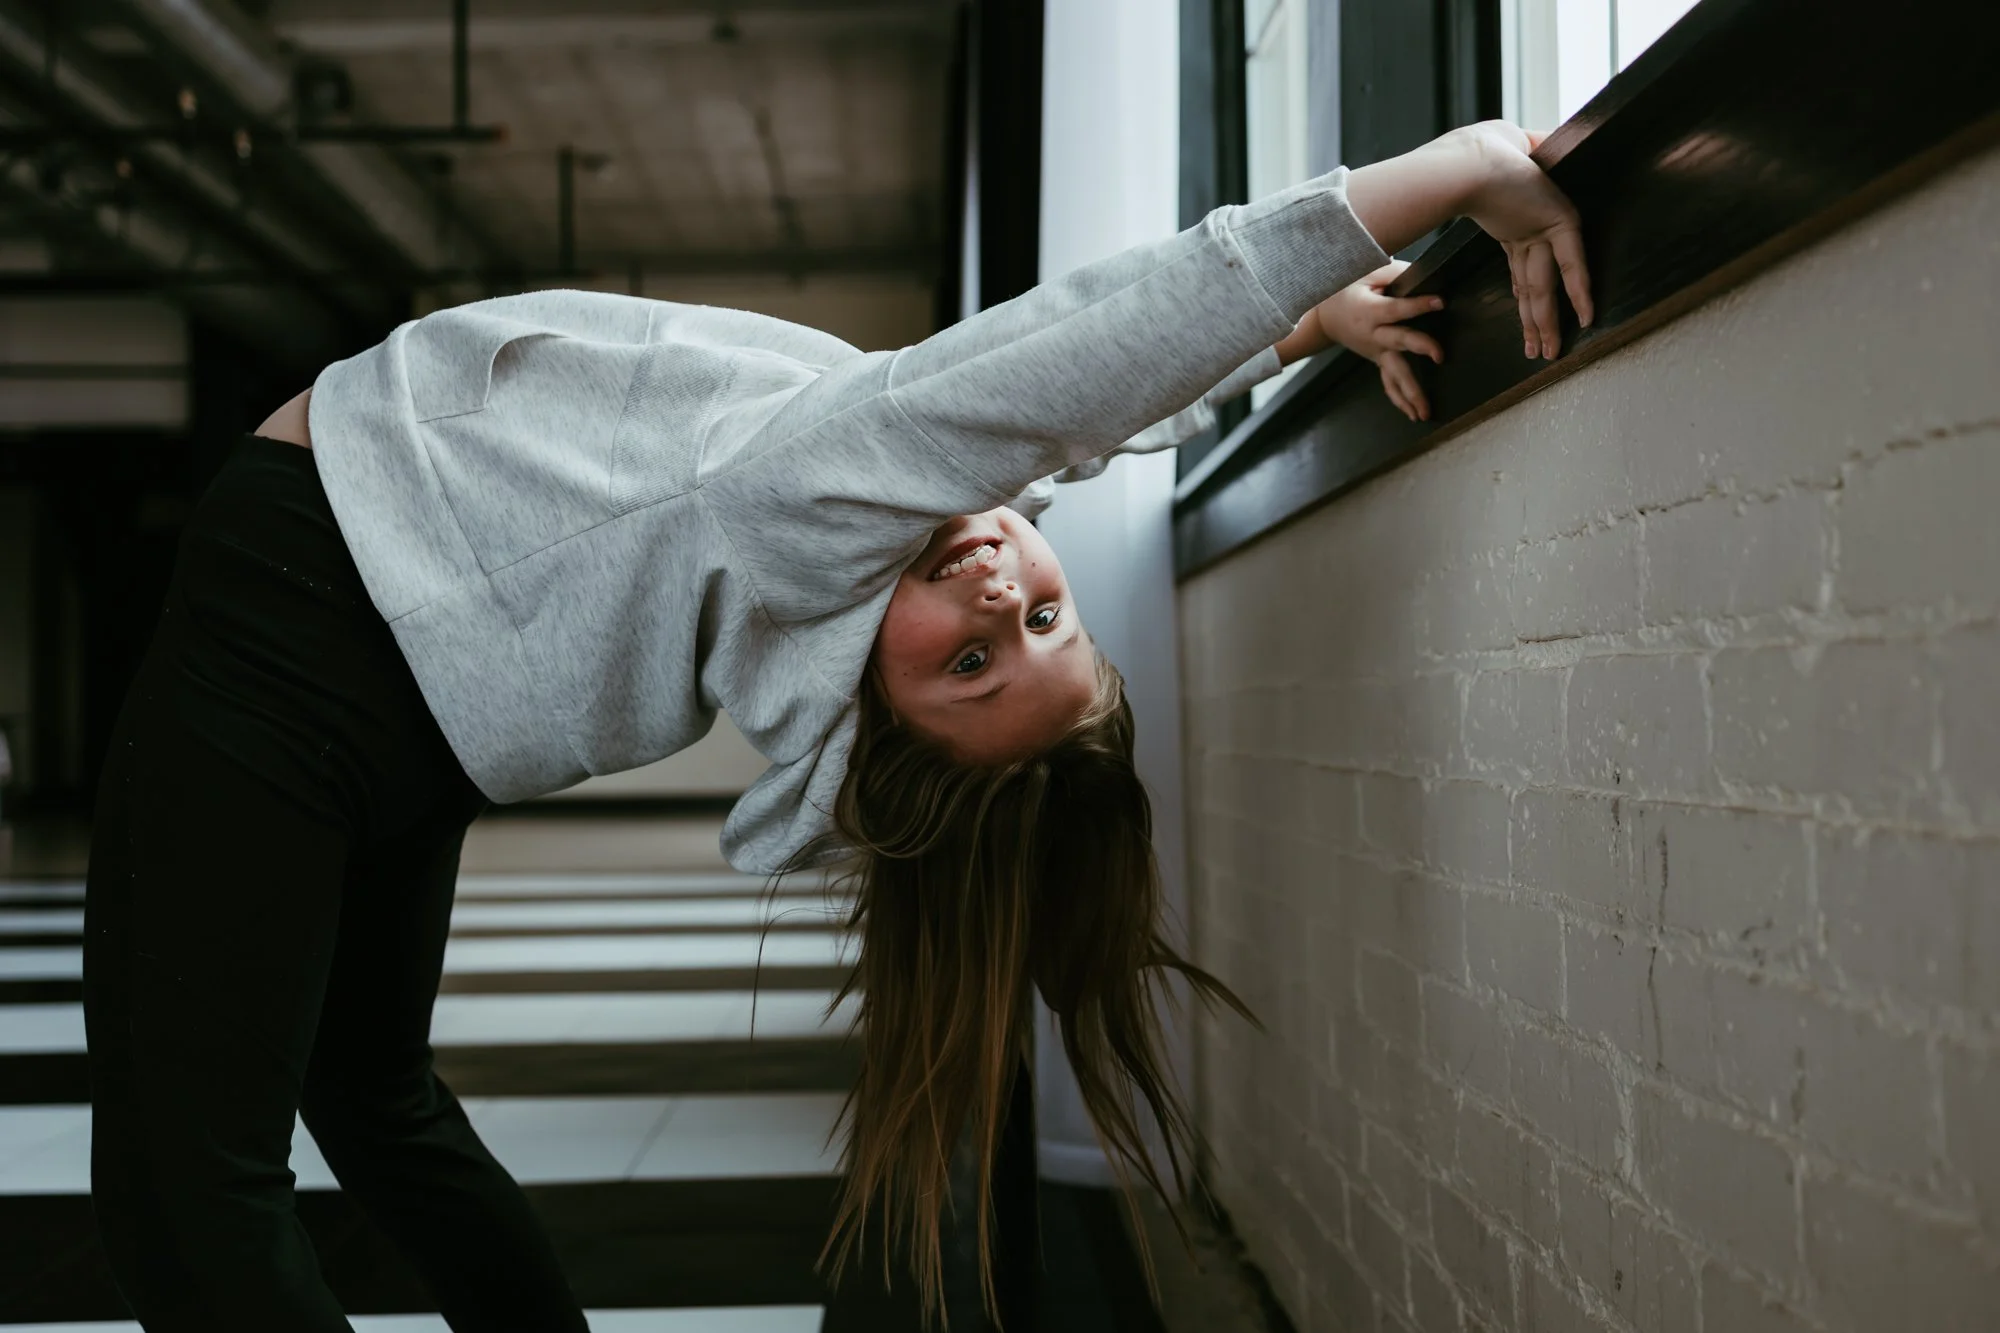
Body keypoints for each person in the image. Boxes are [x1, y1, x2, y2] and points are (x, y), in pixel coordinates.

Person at [82, 119, 1590, 1330]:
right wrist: (1301, 322)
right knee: (372, 1096)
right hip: (403, 688)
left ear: (878, 711)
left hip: (310, 615)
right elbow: (1100, 412)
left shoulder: (821, 509)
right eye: (1047, 624)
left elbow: (1093, 352)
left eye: (972, 667)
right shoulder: (896, 555)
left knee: (185, 1195)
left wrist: (1459, 171)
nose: (1003, 588)